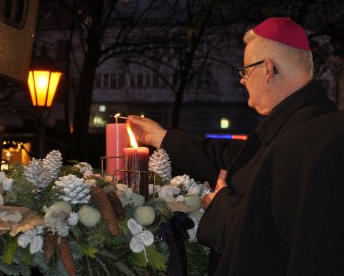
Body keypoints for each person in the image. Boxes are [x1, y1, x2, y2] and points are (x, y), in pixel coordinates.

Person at [128, 17, 344, 276]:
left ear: (267, 69)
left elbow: (278, 239)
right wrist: (162, 138)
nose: (242, 80)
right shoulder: (294, 123)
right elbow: (233, 157)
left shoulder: (310, 140)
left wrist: (220, 208)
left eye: (245, 70)